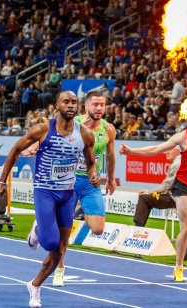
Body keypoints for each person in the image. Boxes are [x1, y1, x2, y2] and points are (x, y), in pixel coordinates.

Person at [0, 91, 100, 308]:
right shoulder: (43, 129)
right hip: (45, 192)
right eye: (66, 102)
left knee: (60, 250)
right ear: (57, 106)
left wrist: (93, 174)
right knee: (50, 242)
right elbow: (15, 150)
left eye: (74, 103)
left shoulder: (85, 134)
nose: (70, 106)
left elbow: (91, 162)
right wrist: (2, 180)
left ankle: (35, 286)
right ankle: (39, 229)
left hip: (67, 195)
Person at [119, 103, 187, 282]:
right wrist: (131, 151)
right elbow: (157, 149)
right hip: (183, 187)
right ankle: (179, 267)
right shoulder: (183, 138)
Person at [53, 91, 117, 287]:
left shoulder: (109, 129)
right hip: (69, 182)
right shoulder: (73, 124)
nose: (99, 109)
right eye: (95, 105)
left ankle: (80, 211)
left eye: (102, 105)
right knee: (63, 234)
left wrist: (111, 179)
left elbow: (110, 156)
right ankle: (59, 269)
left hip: (91, 183)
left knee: (98, 229)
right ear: (86, 106)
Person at [133, 146, 181, 227]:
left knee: (144, 197)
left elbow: (166, 186)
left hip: (176, 198)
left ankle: (137, 230)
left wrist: (149, 192)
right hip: (182, 197)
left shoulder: (177, 164)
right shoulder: (182, 161)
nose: (167, 152)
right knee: (147, 196)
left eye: (170, 150)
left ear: (178, 151)